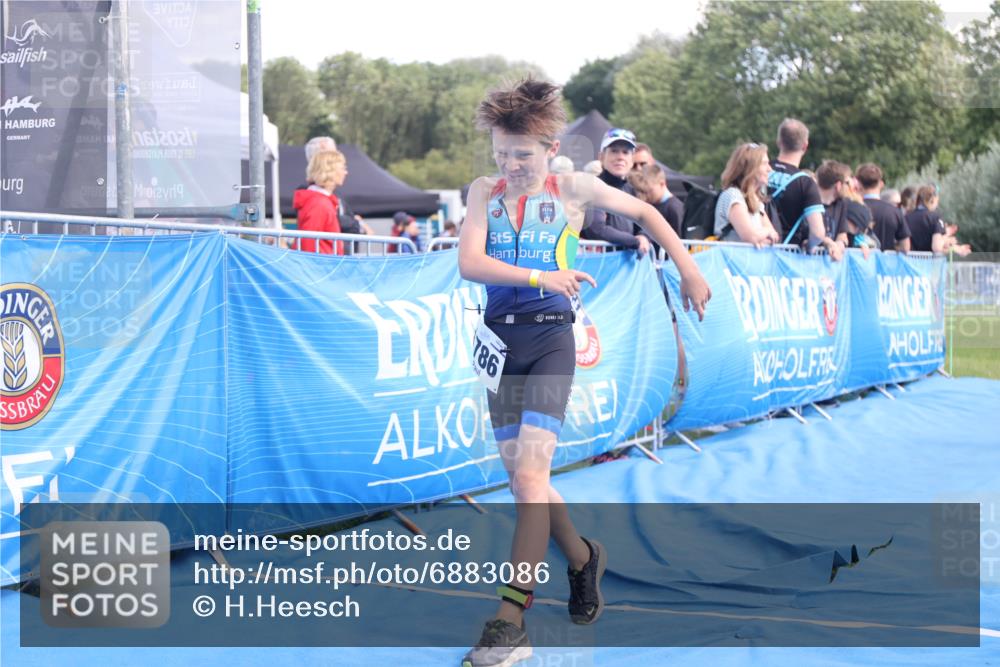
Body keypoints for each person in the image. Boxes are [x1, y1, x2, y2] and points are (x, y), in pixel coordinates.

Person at [458, 77, 711, 667]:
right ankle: (581, 557)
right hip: (501, 344)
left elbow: (647, 209)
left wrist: (689, 271)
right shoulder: (482, 192)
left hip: (550, 341)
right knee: (530, 482)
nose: (510, 165)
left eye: (521, 154)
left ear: (548, 147)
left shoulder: (572, 186)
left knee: (526, 484)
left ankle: (508, 624)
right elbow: (470, 262)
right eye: (501, 154)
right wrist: (539, 276)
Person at [766, 119, 844, 259]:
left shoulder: (760, 171)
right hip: (786, 256)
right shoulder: (805, 182)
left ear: (778, 142)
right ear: (805, 146)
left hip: (754, 253)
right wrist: (810, 246)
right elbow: (818, 232)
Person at [579, 127, 651, 256]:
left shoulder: (631, 190)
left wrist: (643, 236)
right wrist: (635, 242)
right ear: (601, 156)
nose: (620, 157)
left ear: (632, 159)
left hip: (626, 269)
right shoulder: (592, 187)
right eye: (614, 151)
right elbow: (597, 230)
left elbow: (644, 224)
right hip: (597, 267)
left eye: (625, 152)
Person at [713, 143, 780, 247]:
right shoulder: (733, 195)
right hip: (731, 261)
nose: (769, 169)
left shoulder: (755, 200)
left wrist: (762, 237)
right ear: (750, 168)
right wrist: (766, 232)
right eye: (765, 163)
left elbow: (775, 236)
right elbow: (751, 237)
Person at [292, 150, 346, 255]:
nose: (345, 172)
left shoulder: (320, 201)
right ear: (330, 171)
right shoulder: (319, 204)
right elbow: (308, 244)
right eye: (343, 168)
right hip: (321, 267)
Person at [856, 163, 911, 253]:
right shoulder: (894, 212)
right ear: (881, 184)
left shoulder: (852, 209)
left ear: (859, 184)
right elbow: (905, 246)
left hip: (859, 265)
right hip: (886, 265)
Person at [628, 163, 684, 237]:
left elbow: (680, 237)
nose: (645, 196)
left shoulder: (675, 208)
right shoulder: (651, 205)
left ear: (662, 184)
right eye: (642, 191)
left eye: (649, 191)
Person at [905, 185, 947, 253]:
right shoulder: (936, 218)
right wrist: (946, 240)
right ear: (932, 200)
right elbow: (937, 248)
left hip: (908, 262)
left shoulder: (906, 217)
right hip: (928, 262)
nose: (937, 204)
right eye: (937, 201)